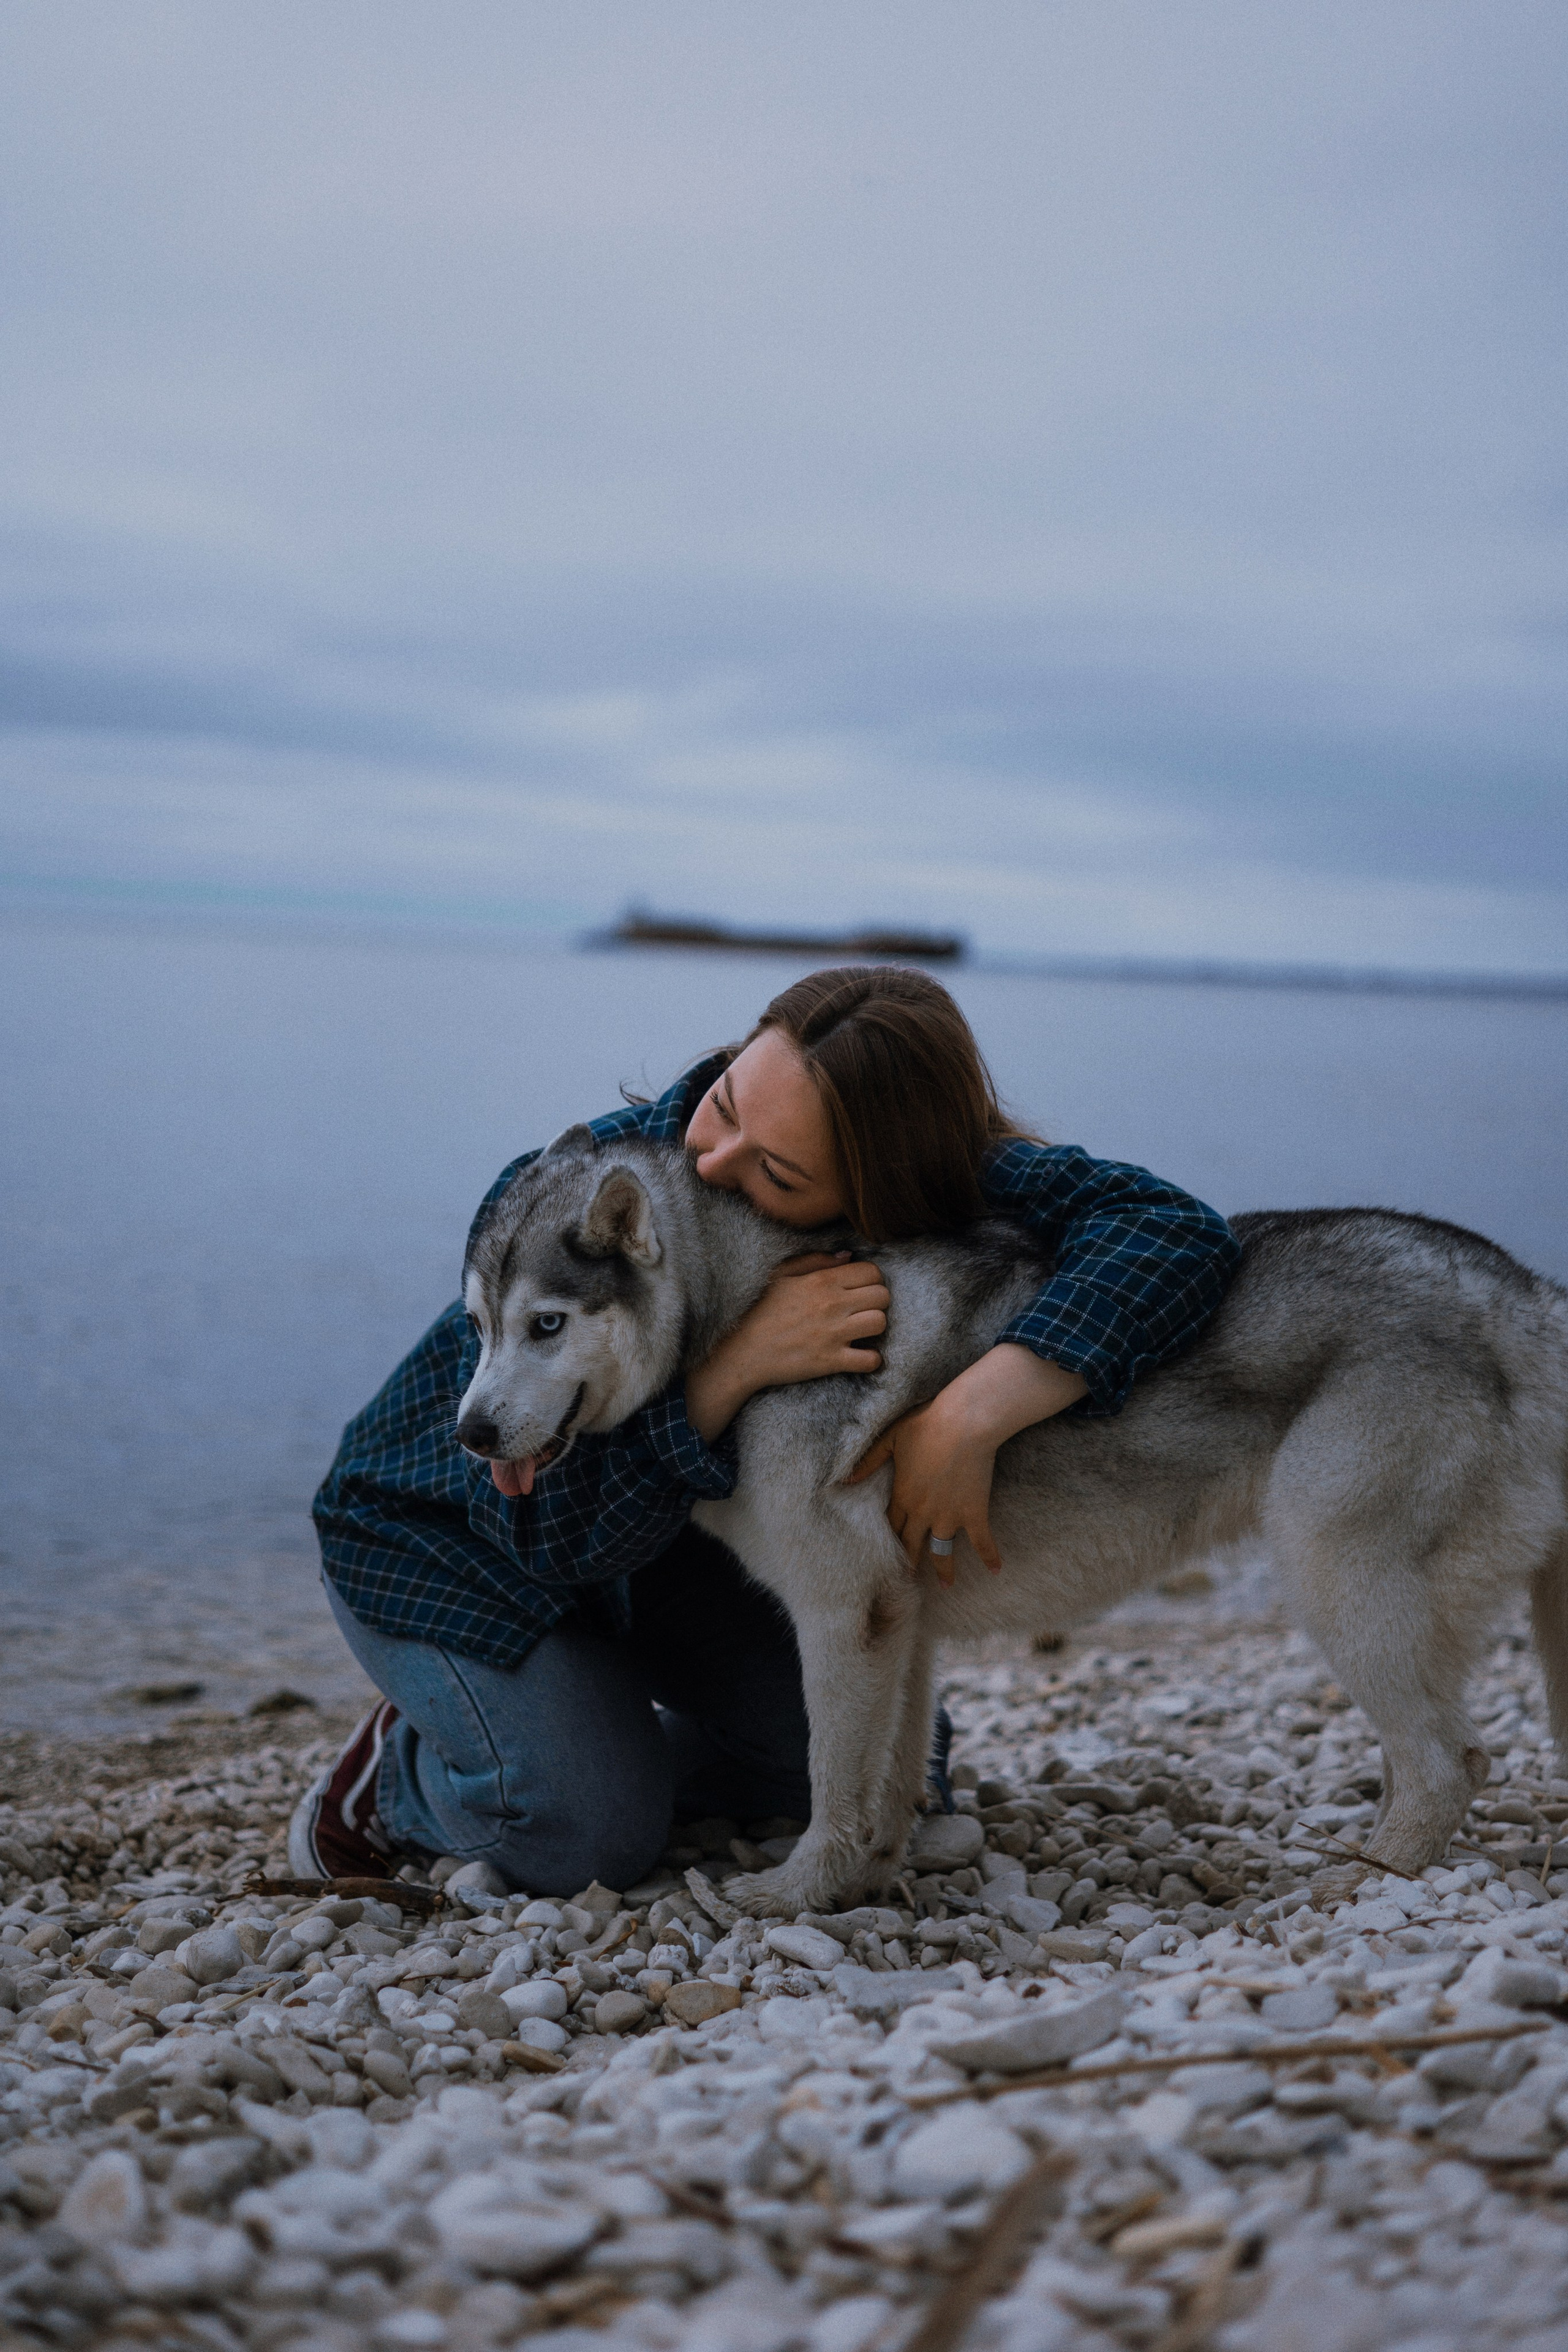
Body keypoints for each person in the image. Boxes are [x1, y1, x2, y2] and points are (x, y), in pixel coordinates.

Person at [298, 965, 1239, 1894]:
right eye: (729, 1101)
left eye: (778, 1171)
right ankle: (399, 1778)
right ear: (742, 1051)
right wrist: (734, 1368)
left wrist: (970, 1415)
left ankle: (580, 1737)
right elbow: (546, 1537)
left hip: (660, 1559)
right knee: (585, 1837)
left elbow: (1172, 1231)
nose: (714, 1166)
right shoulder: (583, 1195)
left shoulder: (920, 1170)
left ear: (872, 1196)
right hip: (448, 1545)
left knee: (874, 1764)